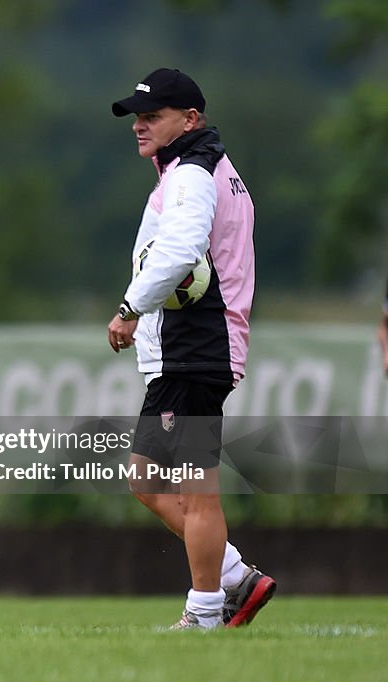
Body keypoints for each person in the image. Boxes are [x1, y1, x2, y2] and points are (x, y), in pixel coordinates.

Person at [106, 68, 275, 629]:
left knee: (195, 492)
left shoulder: (192, 175)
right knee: (147, 478)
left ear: (190, 120)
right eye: (137, 117)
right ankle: (235, 579)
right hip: (194, 349)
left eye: (151, 117)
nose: (140, 126)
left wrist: (130, 308)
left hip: (195, 347)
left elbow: (179, 252)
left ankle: (205, 613)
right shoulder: (207, 170)